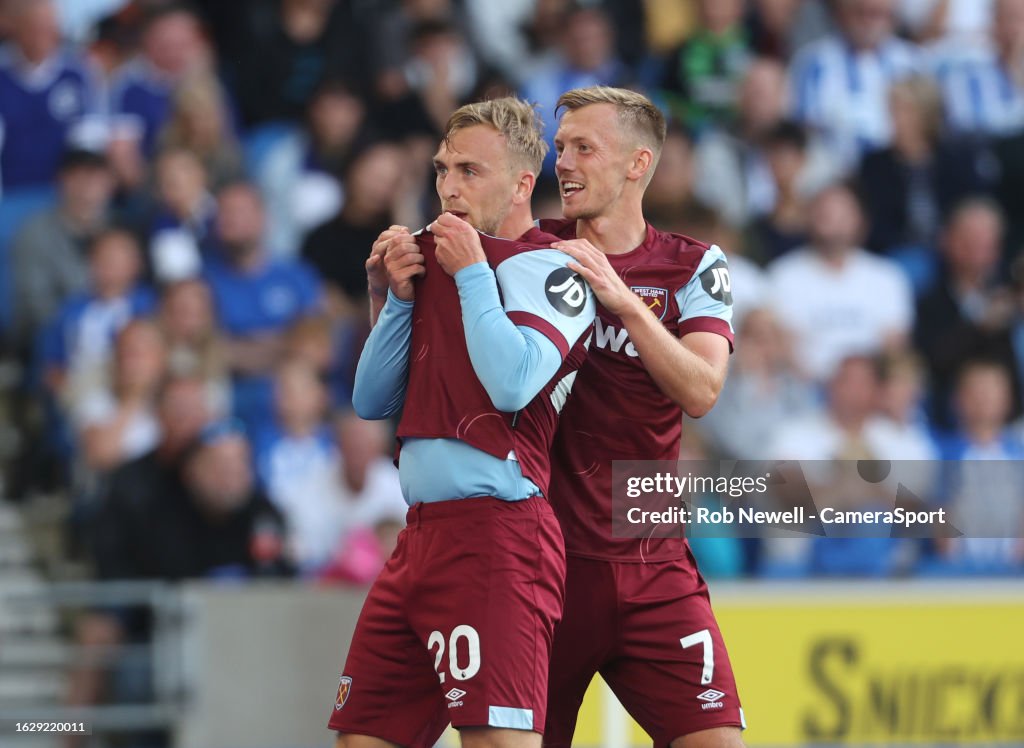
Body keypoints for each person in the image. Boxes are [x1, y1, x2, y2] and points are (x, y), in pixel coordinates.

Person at [327, 97, 595, 748]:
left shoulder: (556, 268)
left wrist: (473, 273)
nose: (448, 185)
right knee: (362, 738)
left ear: (522, 184)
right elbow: (370, 399)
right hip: (419, 538)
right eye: (444, 168)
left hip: (497, 539)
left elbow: (511, 382)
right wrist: (393, 300)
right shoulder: (440, 258)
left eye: (470, 171)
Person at [539, 86, 742, 748]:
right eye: (560, 148)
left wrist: (623, 301)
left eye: (583, 148)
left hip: (655, 569)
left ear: (636, 164)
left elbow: (702, 389)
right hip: (545, 569)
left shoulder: (693, 266)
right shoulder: (531, 256)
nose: (563, 164)